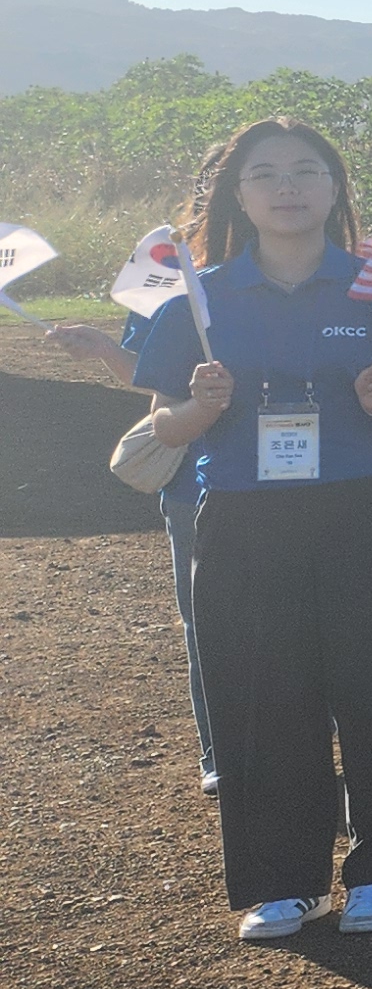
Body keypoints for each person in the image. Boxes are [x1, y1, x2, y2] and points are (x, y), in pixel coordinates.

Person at [127, 118, 372, 941]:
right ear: (237, 193)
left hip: (367, 510)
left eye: (305, 171)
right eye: (266, 173)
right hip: (244, 518)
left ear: (334, 187)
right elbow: (164, 428)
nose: (287, 187)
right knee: (262, 696)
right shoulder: (196, 299)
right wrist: (201, 406)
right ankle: (285, 880)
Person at [44, 313, 223, 794]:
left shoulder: (296, 276)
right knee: (205, 622)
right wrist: (105, 347)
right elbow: (152, 379)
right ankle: (220, 750)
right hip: (194, 485)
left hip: (292, 486)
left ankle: (298, 734)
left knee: (299, 616)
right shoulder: (167, 292)